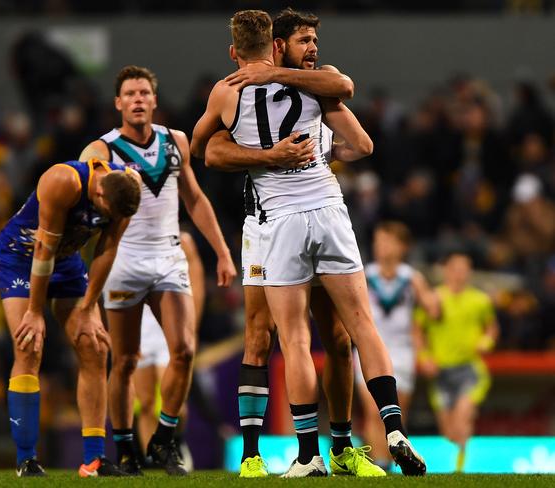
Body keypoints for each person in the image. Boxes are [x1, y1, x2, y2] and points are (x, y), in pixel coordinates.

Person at [191, 9, 425, 477]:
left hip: (281, 223)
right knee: (349, 327)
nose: (313, 48)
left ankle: (315, 453)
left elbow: (200, 147)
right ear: (277, 44)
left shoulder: (233, 90)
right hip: (312, 214)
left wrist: (278, 142)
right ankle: (389, 425)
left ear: (235, 52)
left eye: (315, 39)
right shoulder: (320, 86)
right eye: (304, 39)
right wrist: (278, 152)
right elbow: (358, 133)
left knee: (302, 339)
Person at [79, 65, 236, 476]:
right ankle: (127, 448)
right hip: (124, 258)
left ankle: (165, 440)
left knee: (183, 350)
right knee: (126, 360)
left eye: (144, 92)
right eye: (129, 93)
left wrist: (221, 251)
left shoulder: (175, 141)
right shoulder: (103, 150)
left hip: (168, 256)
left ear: (154, 99)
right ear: (118, 103)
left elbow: (196, 200)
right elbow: (86, 191)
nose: (137, 99)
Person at [0, 157, 141, 477]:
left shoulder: (129, 188)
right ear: (99, 196)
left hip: (67, 261)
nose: (106, 220)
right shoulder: (63, 181)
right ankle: (26, 460)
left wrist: (89, 308)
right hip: (22, 255)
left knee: (95, 346)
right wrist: (34, 311)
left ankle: (95, 460)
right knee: (29, 344)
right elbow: (43, 251)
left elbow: (108, 247)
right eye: (105, 214)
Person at [354, 221, 440, 470]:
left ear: (402, 246)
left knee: (397, 413)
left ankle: (395, 461)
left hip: (402, 350)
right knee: (372, 411)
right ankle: (380, 464)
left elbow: (432, 311)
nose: (381, 247)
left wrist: (436, 300)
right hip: (370, 347)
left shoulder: (411, 278)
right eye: (378, 241)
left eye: (388, 241)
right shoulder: (364, 274)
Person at [415, 252, 498, 472]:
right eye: (455, 269)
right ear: (446, 271)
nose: (460, 274)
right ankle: (459, 456)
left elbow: (491, 328)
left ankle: (461, 469)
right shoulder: (434, 299)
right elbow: (417, 329)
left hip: (469, 368)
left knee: (462, 417)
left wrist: (486, 341)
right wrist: (424, 357)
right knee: (449, 432)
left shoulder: (480, 300)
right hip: (441, 372)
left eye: (464, 269)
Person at [132, 230, 205, 471]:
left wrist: (191, 326)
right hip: (141, 328)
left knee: (175, 402)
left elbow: (196, 281)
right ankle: (152, 460)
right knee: (144, 402)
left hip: (170, 325)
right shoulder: (131, 240)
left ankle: (175, 442)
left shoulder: (182, 240)